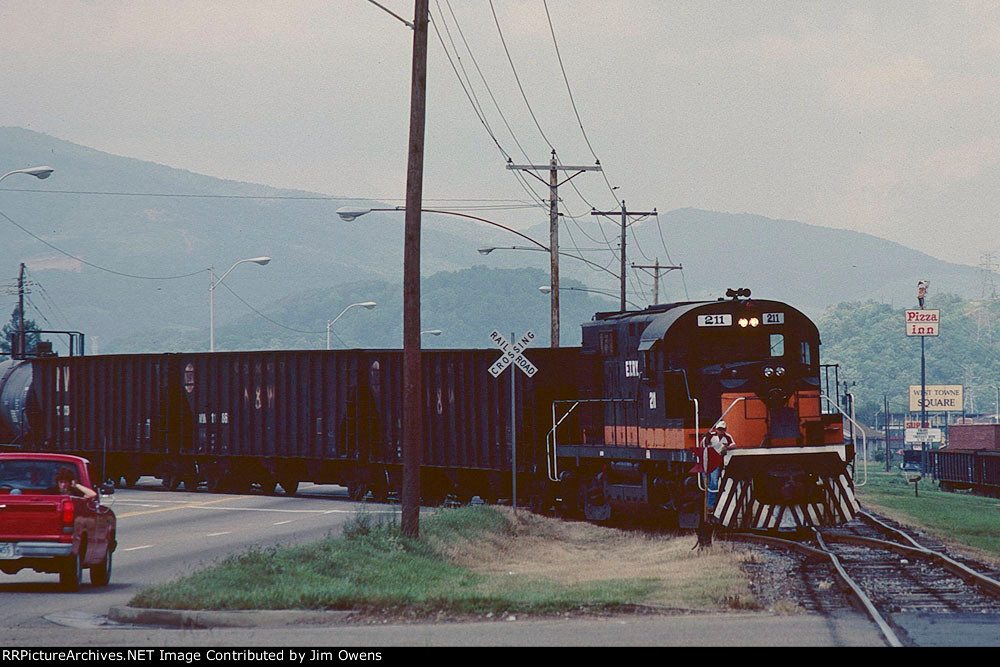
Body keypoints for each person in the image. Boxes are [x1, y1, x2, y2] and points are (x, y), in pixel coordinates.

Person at [701, 421, 735, 510]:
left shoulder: (727, 437)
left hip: (716, 462)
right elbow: (703, 445)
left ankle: (711, 503)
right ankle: (708, 502)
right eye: (720, 429)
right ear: (716, 429)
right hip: (706, 461)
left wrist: (726, 447)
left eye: (723, 429)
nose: (721, 431)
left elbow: (733, 445)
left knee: (714, 482)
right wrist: (706, 439)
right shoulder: (710, 436)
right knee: (706, 482)